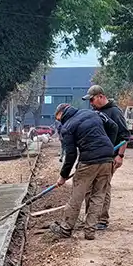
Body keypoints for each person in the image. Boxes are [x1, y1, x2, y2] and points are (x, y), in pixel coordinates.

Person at [49, 103, 117, 240]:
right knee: (98, 195)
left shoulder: (67, 127)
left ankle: (65, 229)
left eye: (58, 119)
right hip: (107, 158)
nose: (59, 122)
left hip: (88, 161)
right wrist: (108, 146)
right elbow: (114, 127)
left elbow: (71, 155)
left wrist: (63, 176)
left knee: (77, 195)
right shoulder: (93, 113)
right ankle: (90, 231)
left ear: (61, 113)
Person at [83, 85, 128, 230]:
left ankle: (102, 219)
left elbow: (124, 136)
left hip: (110, 157)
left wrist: (120, 155)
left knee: (102, 188)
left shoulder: (115, 112)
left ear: (101, 96)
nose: (91, 103)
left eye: (92, 100)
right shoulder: (95, 112)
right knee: (89, 187)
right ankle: (90, 217)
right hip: (94, 157)